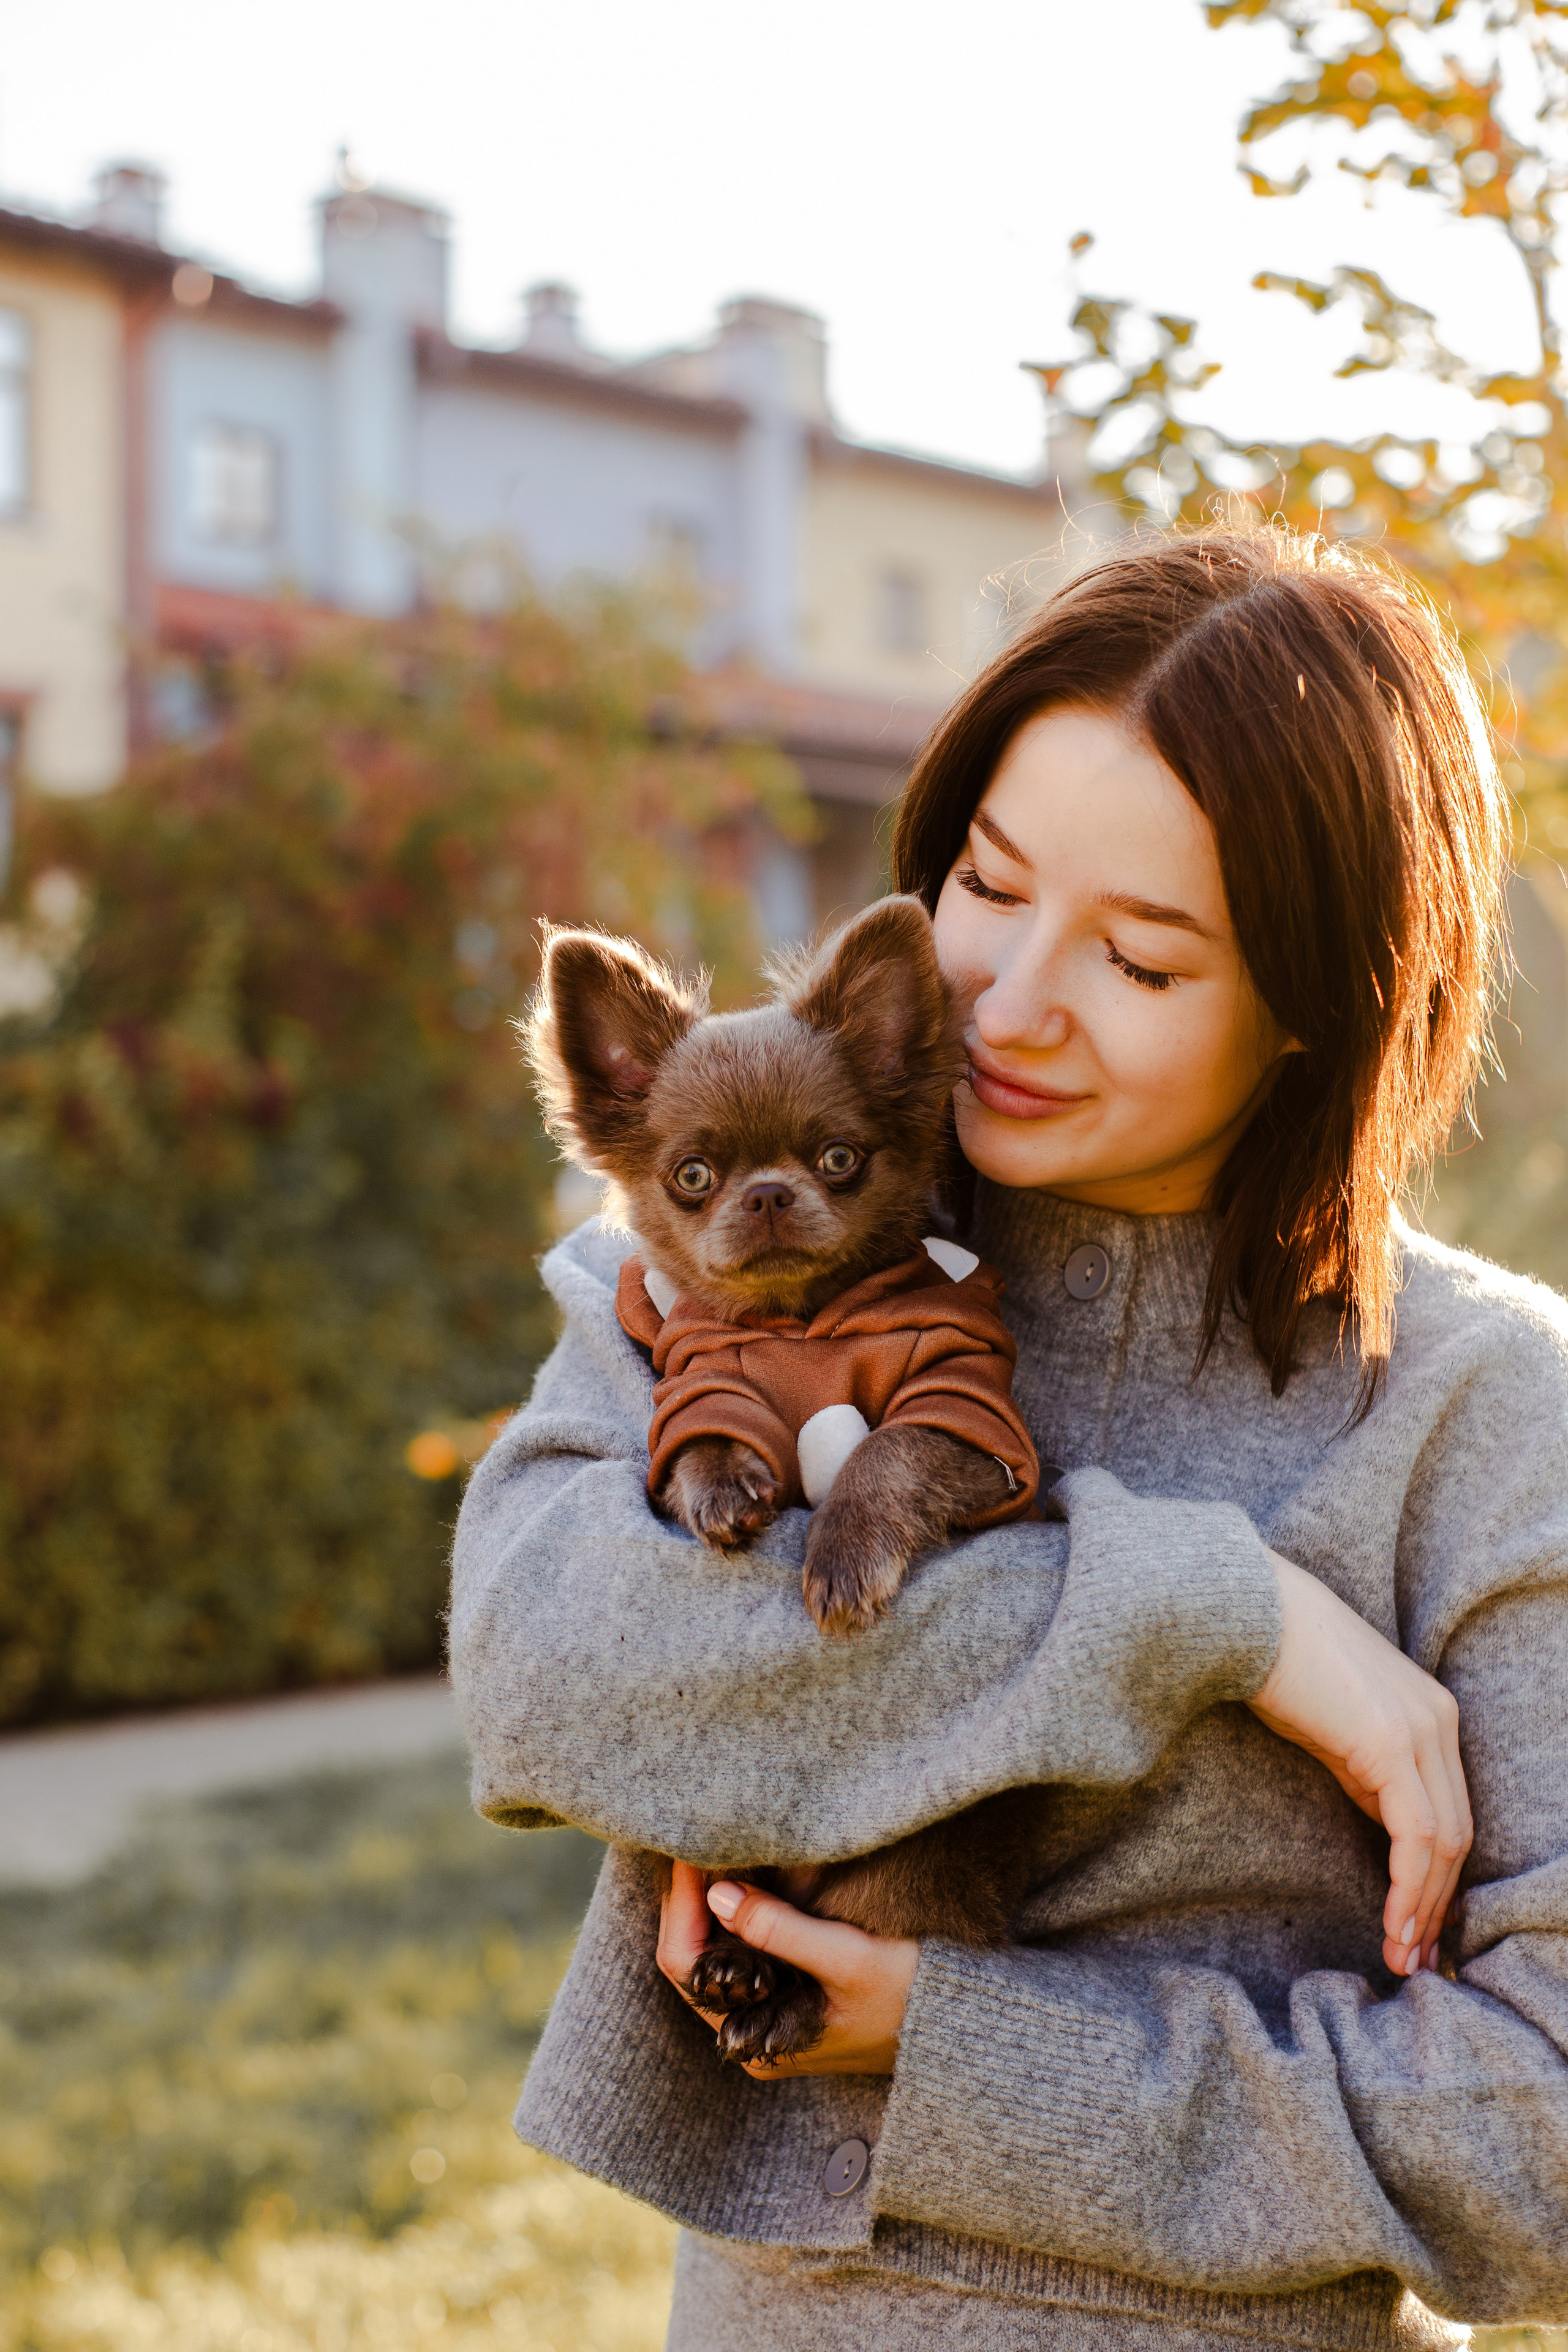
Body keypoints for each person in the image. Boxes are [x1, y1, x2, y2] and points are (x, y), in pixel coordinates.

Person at [450, 527, 1568, 2352]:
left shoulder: (1482, 1405)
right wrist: (1233, 1621)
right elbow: (547, 1672)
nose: (1008, 1004)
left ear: (1322, 1002)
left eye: (1140, 959)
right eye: (989, 881)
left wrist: (971, 2058)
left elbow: (1548, 2150)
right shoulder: (712, 1263)